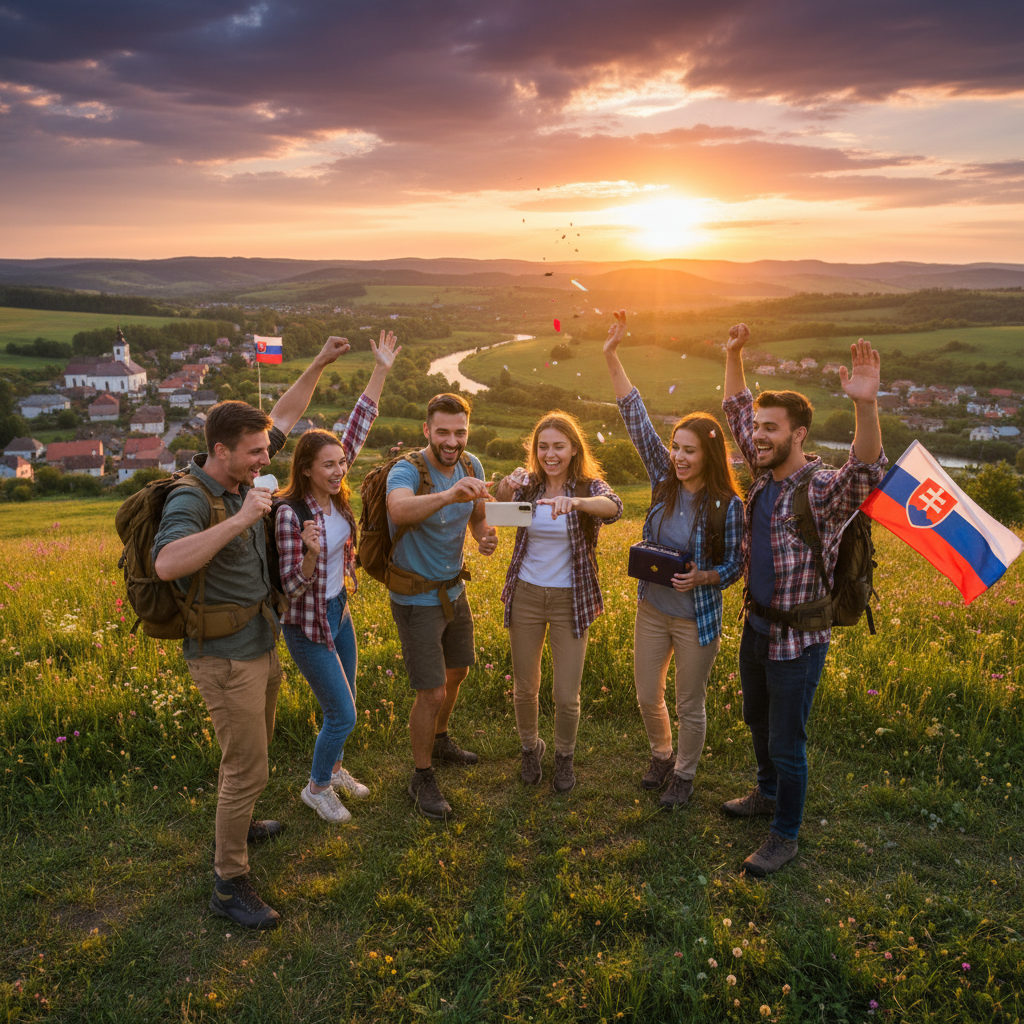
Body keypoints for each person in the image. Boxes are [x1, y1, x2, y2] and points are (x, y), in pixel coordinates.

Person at [153, 334, 351, 929]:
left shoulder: (245, 474)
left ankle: (240, 826)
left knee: (251, 757)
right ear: (221, 451)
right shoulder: (194, 499)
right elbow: (167, 564)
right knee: (247, 767)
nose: (269, 459)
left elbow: (284, 413)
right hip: (224, 655)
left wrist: (317, 363)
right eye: (257, 453)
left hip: (260, 643)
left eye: (268, 450)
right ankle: (229, 883)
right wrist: (240, 519)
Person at [722, 324, 886, 876]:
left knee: (788, 741)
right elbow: (736, 407)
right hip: (757, 627)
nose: (758, 435)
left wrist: (866, 405)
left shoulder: (819, 490)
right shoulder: (763, 472)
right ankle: (765, 794)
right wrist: (735, 353)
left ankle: (784, 834)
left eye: (771, 428)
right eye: (759, 428)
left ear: (799, 435)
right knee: (757, 721)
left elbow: (864, 474)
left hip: (799, 637)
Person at [604, 310, 745, 809]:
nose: (679, 457)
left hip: (695, 620)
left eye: (688, 450)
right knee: (647, 695)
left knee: (690, 703)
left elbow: (735, 567)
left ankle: (683, 776)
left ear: (709, 455)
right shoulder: (664, 482)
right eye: (675, 448)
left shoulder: (728, 506)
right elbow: (636, 418)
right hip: (652, 611)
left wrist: (704, 575)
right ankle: (661, 754)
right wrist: (612, 354)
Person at [275, 332, 400, 824]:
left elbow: (358, 422)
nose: (338, 469)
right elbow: (290, 587)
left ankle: (338, 767)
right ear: (305, 470)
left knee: (349, 698)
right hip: (306, 624)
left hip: (339, 612)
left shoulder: (337, 490)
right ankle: (317, 786)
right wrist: (308, 556)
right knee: (341, 713)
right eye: (328, 465)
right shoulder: (290, 515)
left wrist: (382, 368)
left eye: (341, 463)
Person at [495, 411, 623, 794]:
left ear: (573, 449)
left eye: (558, 447)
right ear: (535, 450)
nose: (550, 454)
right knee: (524, 687)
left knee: (567, 695)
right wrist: (505, 485)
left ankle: (564, 757)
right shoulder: (529, 486)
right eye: (543, 446)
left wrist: (578, 503)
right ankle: (530, 749)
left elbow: (614, 508)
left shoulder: (588, 485)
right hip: (527, 595)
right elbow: (499, 510)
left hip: (571, 599)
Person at [385, 393, 498, 820]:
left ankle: (441, 739)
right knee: (430, 690)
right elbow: (399, 508)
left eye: (460, 432)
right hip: (416, 596)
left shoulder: (472, 466)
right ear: (427, 430)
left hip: (453, 591)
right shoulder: (407, 469)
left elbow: (477, 516)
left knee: (458, 672)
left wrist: (483, 536)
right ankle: (422, 775)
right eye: (443, 432)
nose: (452, 441)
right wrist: (450, 495)